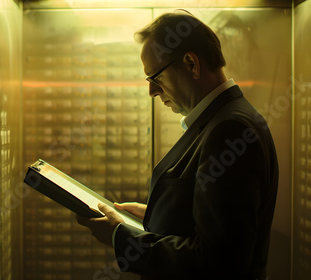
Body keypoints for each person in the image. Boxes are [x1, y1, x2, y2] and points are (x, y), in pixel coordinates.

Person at [76, 10, 279, 280]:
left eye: (156, 78)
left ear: (191, 64)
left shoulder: (229, 130)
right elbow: (212, 222)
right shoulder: (223, 120)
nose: (152, 92)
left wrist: (120, 236)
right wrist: (156, 215)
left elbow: (220, 263)